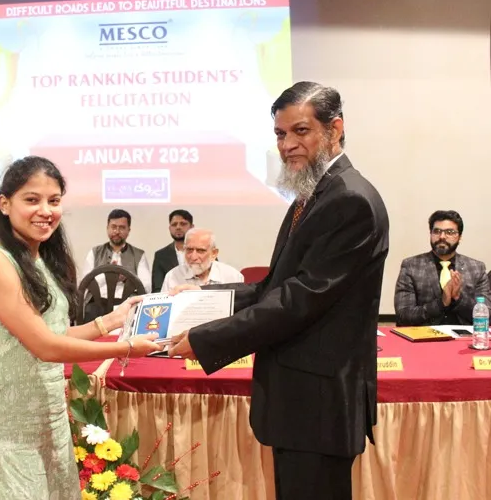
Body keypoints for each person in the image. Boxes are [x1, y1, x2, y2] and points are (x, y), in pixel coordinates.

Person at [169, 81, 389, 500]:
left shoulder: (350, 200)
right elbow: (275, 286)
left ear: (335, 128)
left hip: (319, 402)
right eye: (280, 134)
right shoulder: (314, 193)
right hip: (302, 402)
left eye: (300, 131)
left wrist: (204, 338)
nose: (287, 145)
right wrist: (200, 298)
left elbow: (297, 300)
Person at [0, 156, 160, 500]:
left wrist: (113, 320)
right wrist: (125, 348)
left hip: (47, 422)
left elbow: (54, 333)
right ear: (4, 204)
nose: (45, 211)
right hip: (6, 427)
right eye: (32, 199)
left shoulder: (42, 260)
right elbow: (45, 347)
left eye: (53, 201)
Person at [395, 210, 490, 326]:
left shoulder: (476, 268)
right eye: (437, 231)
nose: (442, 237)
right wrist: (441, 303)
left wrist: (458, 298)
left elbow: (487, 315)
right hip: (425, 334)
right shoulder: (411, 266)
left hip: (464, 335)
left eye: (449, 232)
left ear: (460, 237)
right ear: (430, 234)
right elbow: (403, 315)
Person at [160, 228, 243, 292]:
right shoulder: (173, 277)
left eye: (200, 251)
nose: (193, 257)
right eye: (189, 250)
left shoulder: (232, 276)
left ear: (214, 253)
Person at [151, 209, 194, 292]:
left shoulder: (204, 251)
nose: (178, 227)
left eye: (183, 224)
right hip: (171, 297)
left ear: (192, 227)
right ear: (170, 228)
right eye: (174, 224)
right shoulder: (161, 255)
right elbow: (157, 288)